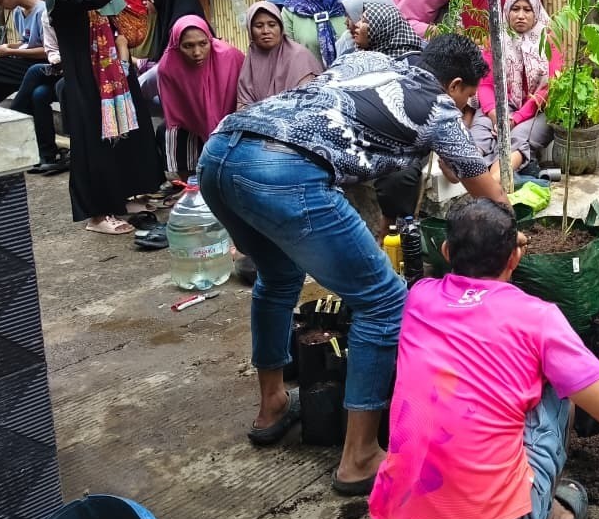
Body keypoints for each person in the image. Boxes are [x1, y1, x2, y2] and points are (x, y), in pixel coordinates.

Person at [197, 33, 507, 494]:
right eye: (468, 98)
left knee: (278, 278)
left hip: (222, 151)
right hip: (284, 171)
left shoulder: (365, 60)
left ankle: (273, 405)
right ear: (456, 83)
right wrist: (512, 226)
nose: (466, 107)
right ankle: (360, 457)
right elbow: (485, 189)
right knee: (384, 302)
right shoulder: (438, 105)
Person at [370, 198, 599, 519]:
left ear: (446, 252)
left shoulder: (419, 298)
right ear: (514, 259)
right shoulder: (538, 317)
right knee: (559, 386)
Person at [41, 0, 163, 235]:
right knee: (94, 144)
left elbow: (110, 15)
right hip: (88, 80)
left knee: (127, 135)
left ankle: (122, 198)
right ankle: (97, 214)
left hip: (112, 75)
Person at [470, 0, 560, 177]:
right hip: (500, 106)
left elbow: (549, 88)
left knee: (519, 138)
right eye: (515, 8)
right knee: (480, 132)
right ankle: (473, 178)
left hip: (538, 111)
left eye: (527, 10)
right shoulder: (496, 40)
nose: (521, 15)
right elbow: (485, 85)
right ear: (507, 10)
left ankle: (493, 185)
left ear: (536, 13)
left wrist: (514, 119)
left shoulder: (549, 41)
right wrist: (497, 116)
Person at [156, 14, 245, 179]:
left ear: (210, 40)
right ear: (176, 45)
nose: (197, 52)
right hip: (191, 122)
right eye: (188, 46)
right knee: (173, 133)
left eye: (203, 44)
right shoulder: (167, 67)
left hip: (231, 118)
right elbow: (175, 112)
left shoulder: (230, 56)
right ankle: (190, 183)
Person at [236, 1, 323, 110]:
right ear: (250, 31)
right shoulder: (250, 60)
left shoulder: (299, 57)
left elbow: (309, 102)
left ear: (281, 27)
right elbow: (242, 105)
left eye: (272, 25)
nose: (266, 31)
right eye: (259, 26)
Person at [12, 13, 68, 175]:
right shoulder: (47, 15)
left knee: (35, 70)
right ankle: (48, 155)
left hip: (85, 69)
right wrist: (57, 60)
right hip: (60, 68)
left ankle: (15, 115)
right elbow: (50, 48)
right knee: (39, 94)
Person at [351, 0, 421, 59]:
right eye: (360, 19)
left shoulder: (410, 63)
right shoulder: (351, 54)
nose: (357, 25)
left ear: (383, 30)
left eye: (364, 21)